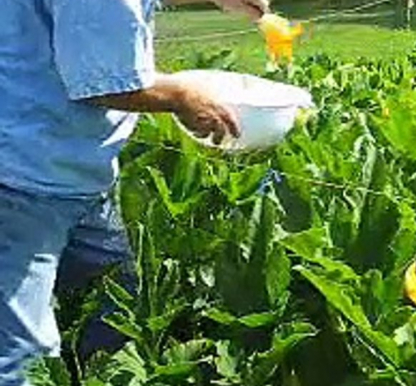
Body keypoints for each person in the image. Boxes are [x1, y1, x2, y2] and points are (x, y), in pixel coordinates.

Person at [0, 0, 269, 384]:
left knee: (118, 303)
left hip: (72, 170)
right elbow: (101, 84)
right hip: (25, 177)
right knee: (25, 357)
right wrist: (182, 96)